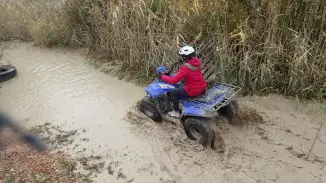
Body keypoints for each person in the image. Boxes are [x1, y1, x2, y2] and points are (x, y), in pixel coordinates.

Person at [160, 45, 207, 118]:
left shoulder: (185, 68)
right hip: (202, 87)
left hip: (194, 90)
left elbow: (173, 81)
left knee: (173, 92)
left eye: (182, 56)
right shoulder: (197, 62)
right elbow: (190, 75)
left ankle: (176, 112)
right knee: (182, 84)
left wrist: (162, 76)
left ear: (184, 57)